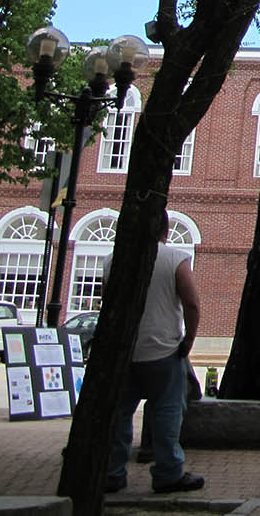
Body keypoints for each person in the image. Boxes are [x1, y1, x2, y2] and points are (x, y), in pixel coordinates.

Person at [105, 210, 204, 494]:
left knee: (120, 415)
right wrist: (188, 340)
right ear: (165, 230)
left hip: (125, 351)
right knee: (167, 413)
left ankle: (112, 472)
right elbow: (192, 303)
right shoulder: (175, 259)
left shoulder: (114, 260)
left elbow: (106, 301)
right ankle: (167, 472)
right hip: (163, 349)